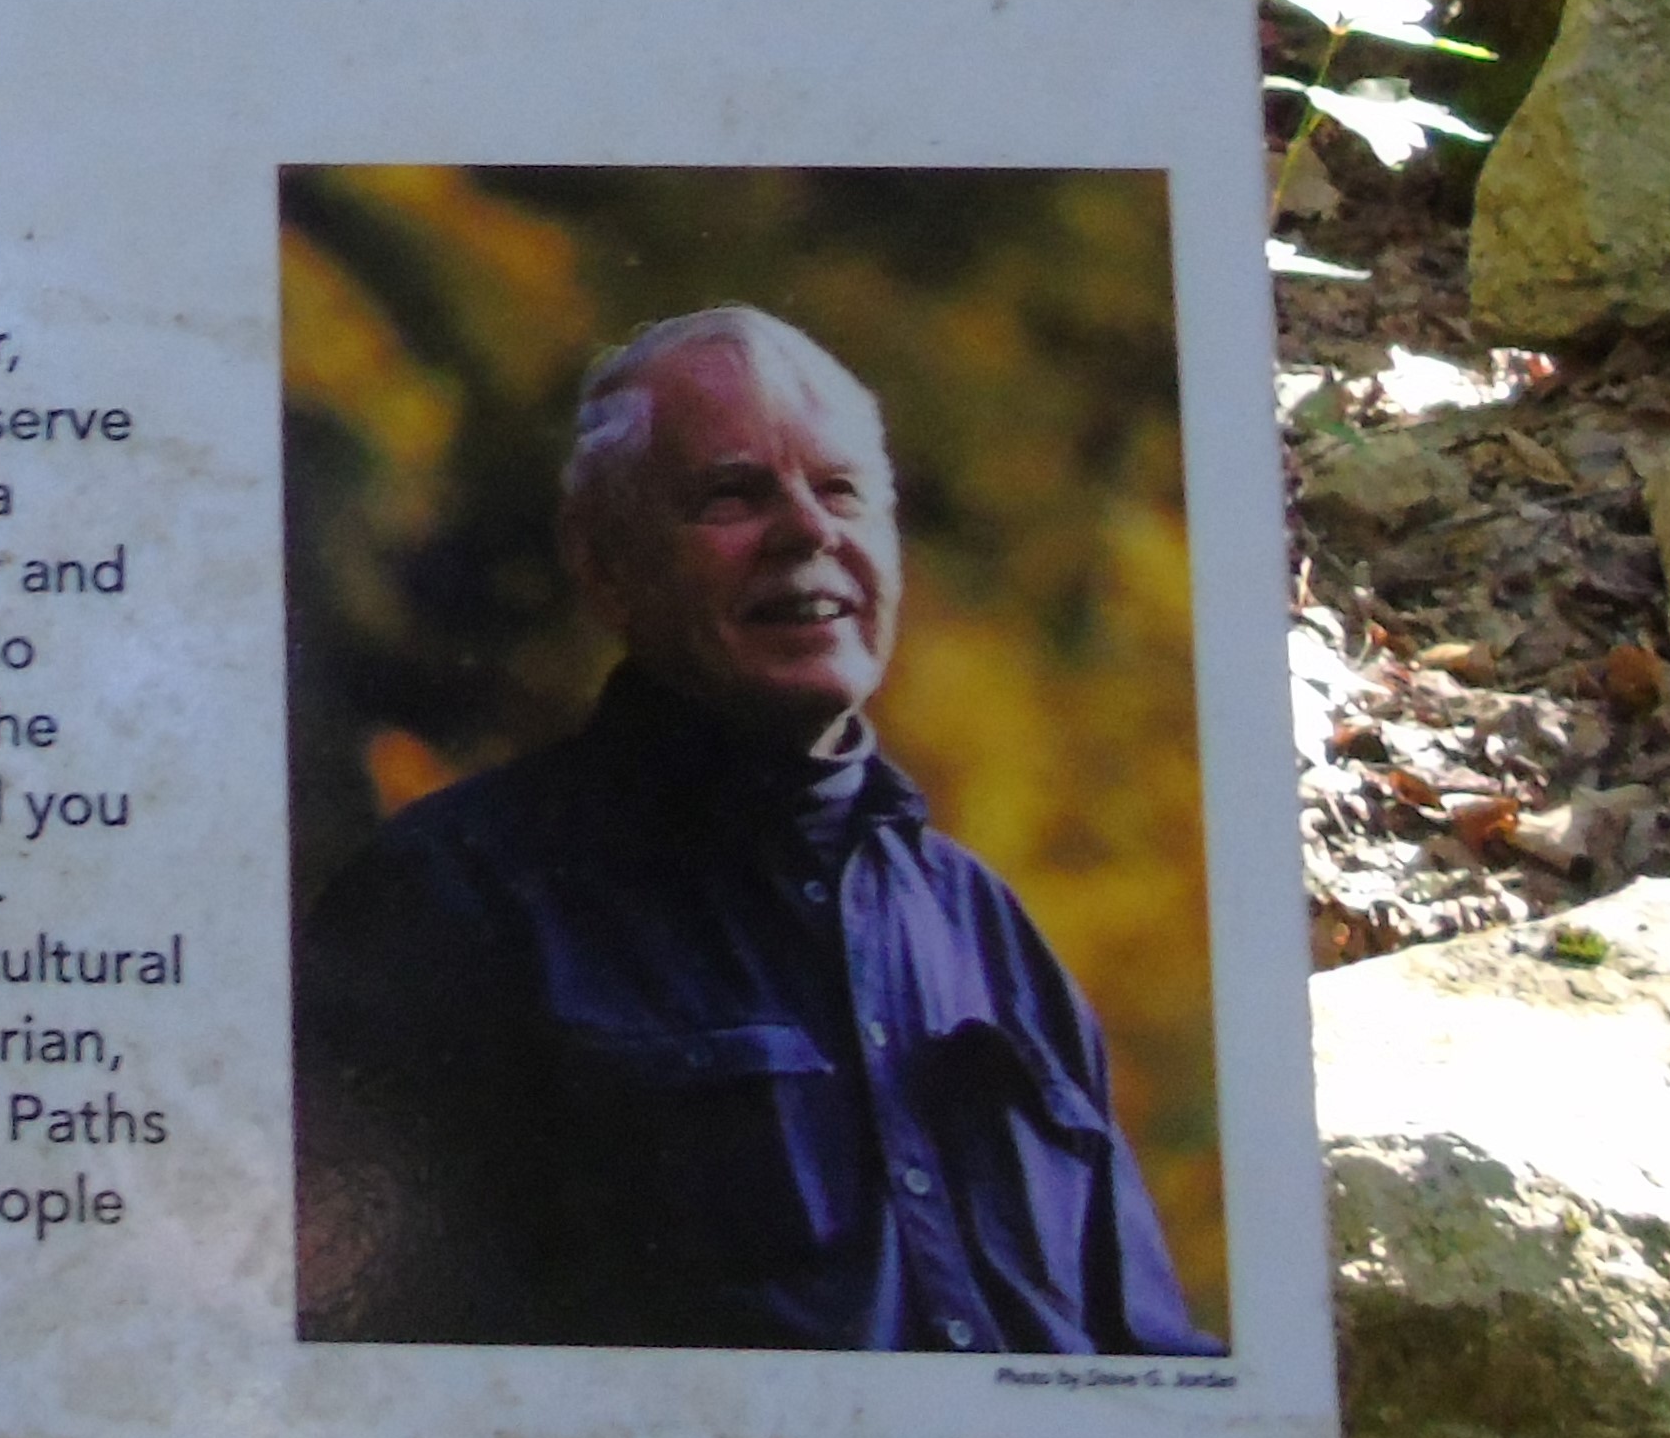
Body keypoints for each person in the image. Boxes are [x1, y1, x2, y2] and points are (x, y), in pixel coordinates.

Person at [292, 303, 1217, 1355]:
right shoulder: (454, 902)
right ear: (603, 562)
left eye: (840, 491)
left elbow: (1145, 1355)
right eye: (732, 494)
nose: (808, 532)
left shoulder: (985, 929)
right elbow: (389, 1381)